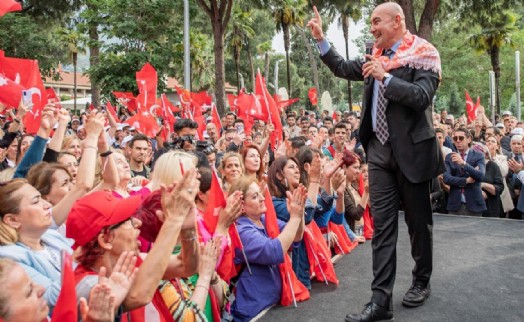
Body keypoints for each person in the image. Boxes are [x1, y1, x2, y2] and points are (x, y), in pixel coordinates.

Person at [309, 2, 443, 320]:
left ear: (397, 21)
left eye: (376, 22)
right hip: (379, 153)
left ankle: (421, 281)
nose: (372, 29)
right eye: (370, 23)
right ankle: (380, 302)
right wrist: (320, 39)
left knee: (418, 225)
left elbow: (421, 97)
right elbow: (342, 67)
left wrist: (386, 78)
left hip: (413, 154)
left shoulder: (424, 54)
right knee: (383, 227)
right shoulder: (375, 57)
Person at [229, 176, 307, 321]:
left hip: (273, 307)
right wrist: (295, 218)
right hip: (253, 312)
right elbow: (273, 252)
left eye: (260, 193)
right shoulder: (241, 230)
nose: (262, 198)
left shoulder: (265, 220)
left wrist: (299, 214)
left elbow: (296, 236)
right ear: (242, 205)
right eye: (254, 196)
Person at [443, 128, 486, 216]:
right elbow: (447, 179)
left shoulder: (478, 155)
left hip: (474, 204)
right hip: (455, 205)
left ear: (469, 139)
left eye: (461, 138)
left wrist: (463, 164)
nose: (458, 141)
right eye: (455, 139)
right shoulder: (449, 157)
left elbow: (481, 175)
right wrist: (466, 181)